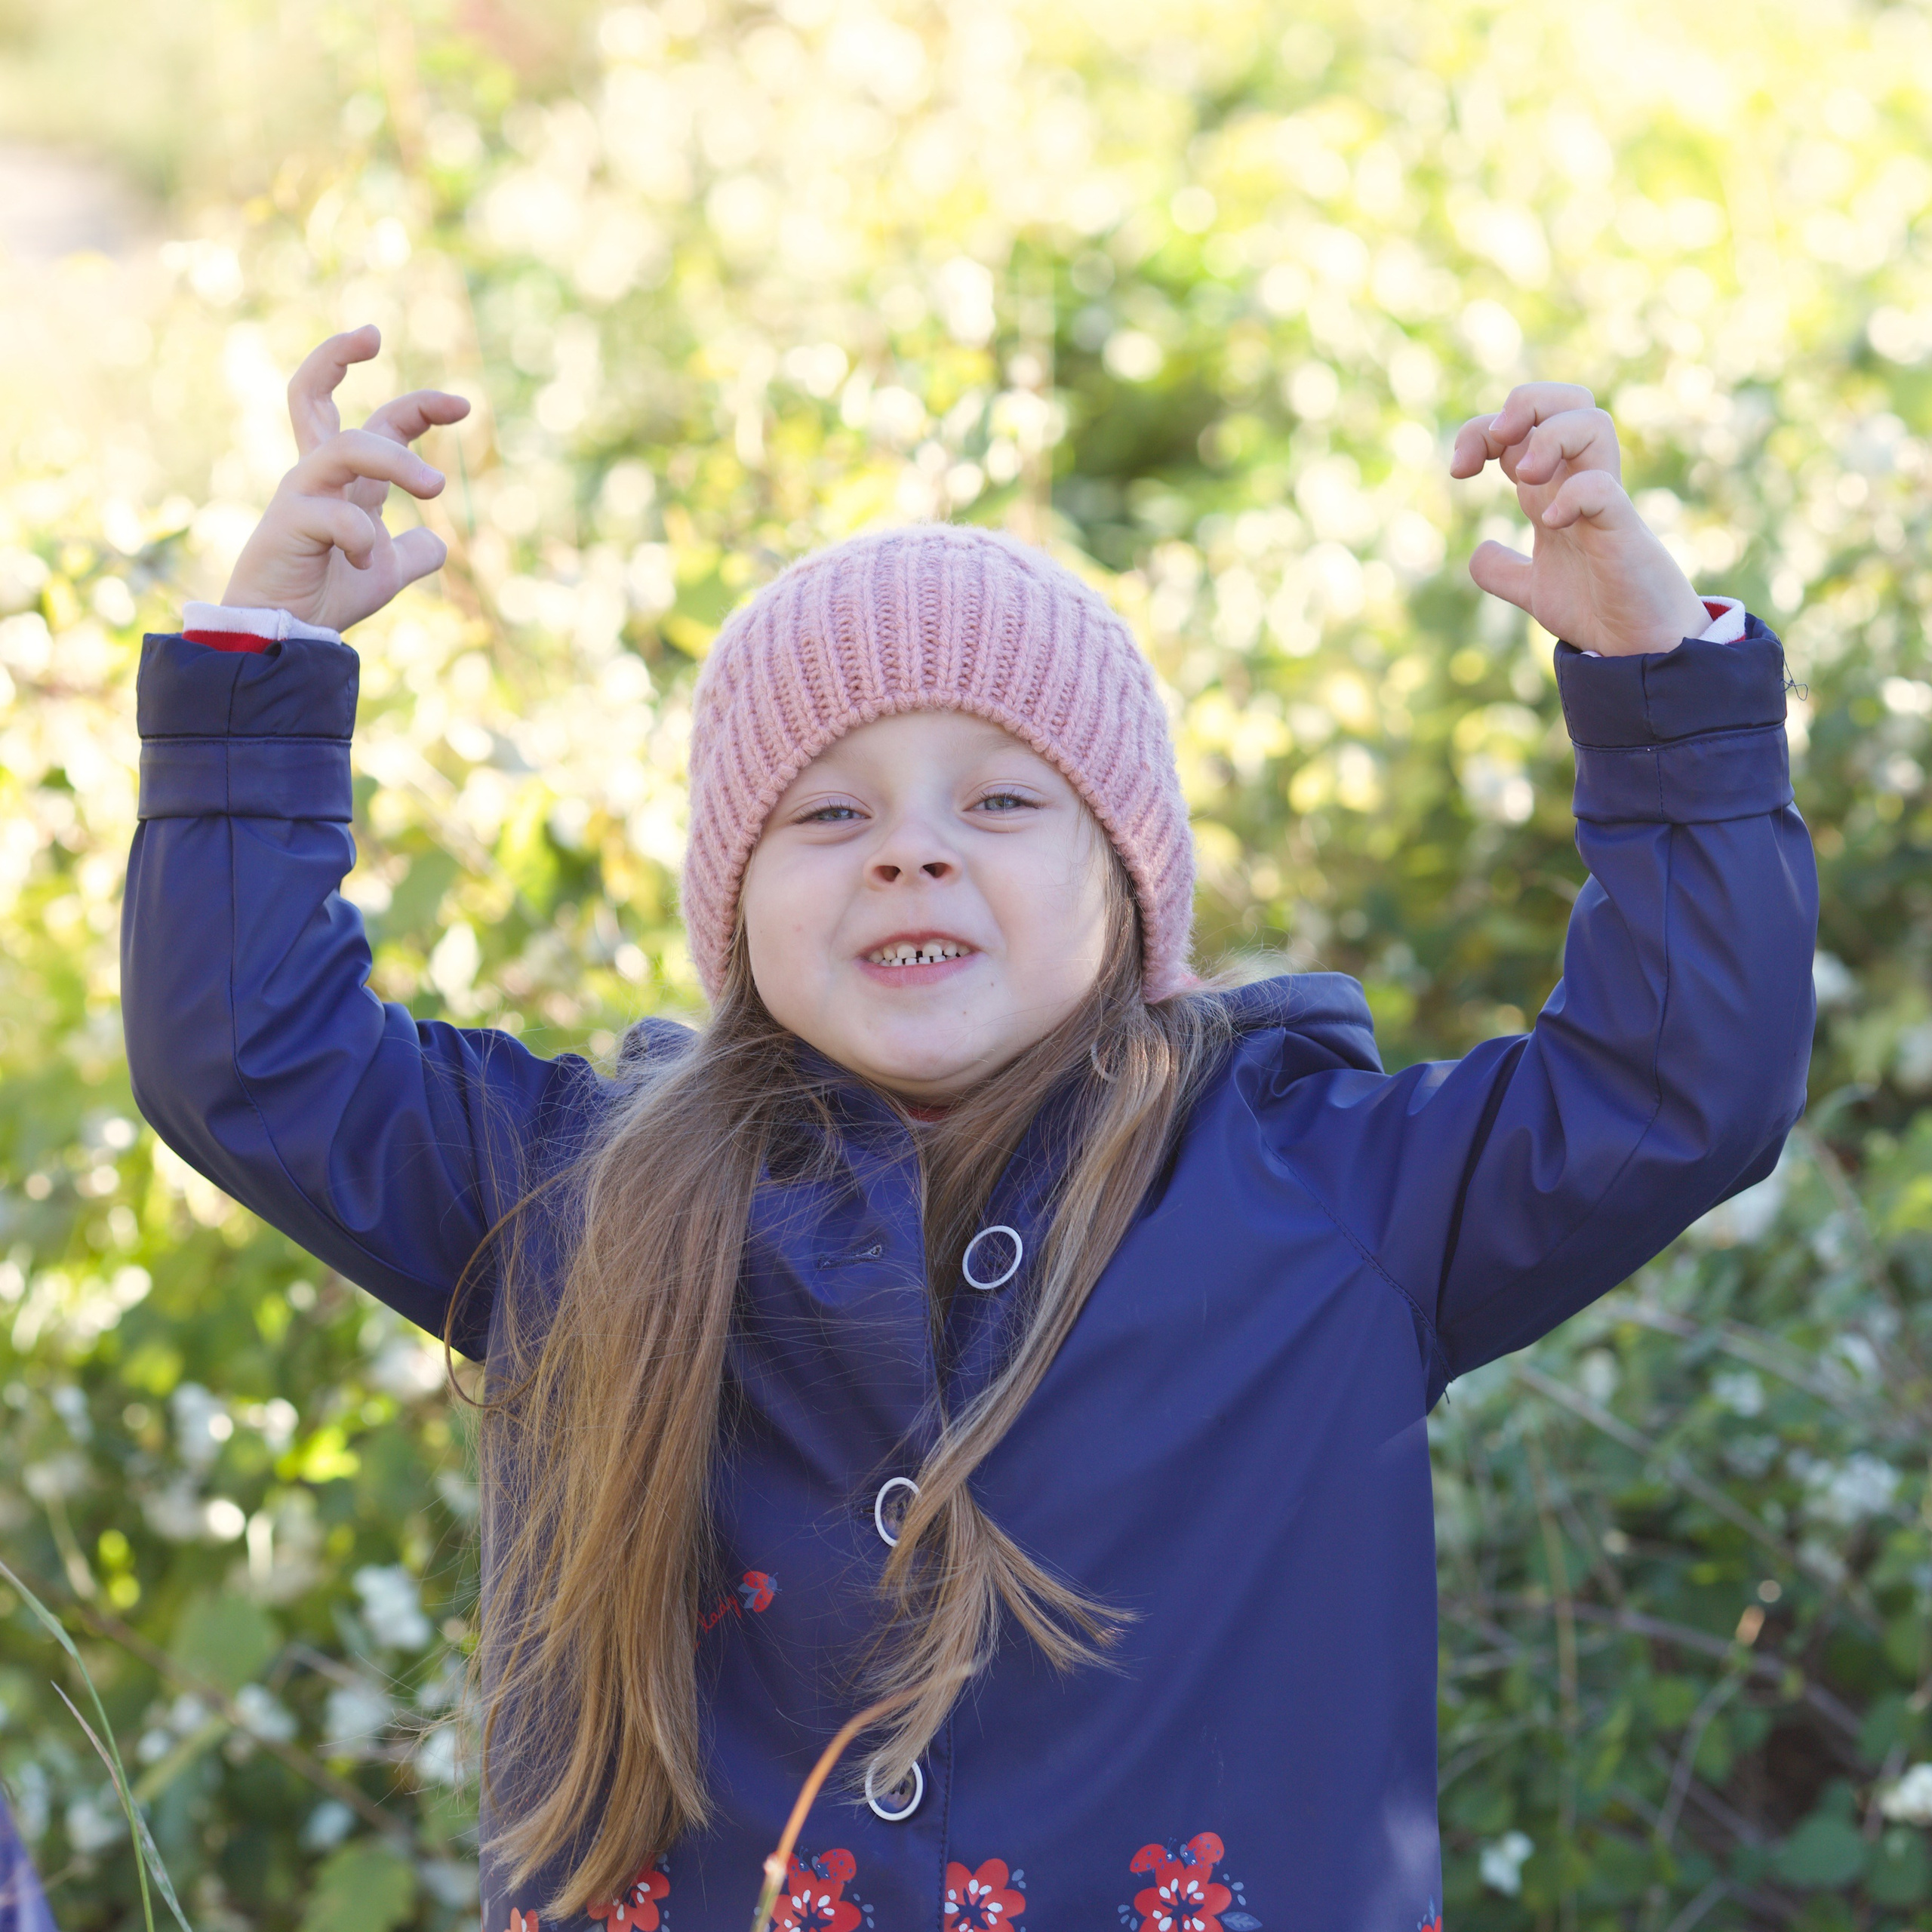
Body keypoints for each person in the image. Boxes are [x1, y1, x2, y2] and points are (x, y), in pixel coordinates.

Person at [122, 326, 1816, 1932]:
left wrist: (1657, 690)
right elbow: (248, 1054)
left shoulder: (1330, 1195)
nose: (909, 852)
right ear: (733, 906)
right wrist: (265, 666)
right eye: (827, 811)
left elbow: (1676, 1085)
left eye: (1000, 800)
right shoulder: (576, 1190)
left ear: (1126, 875)